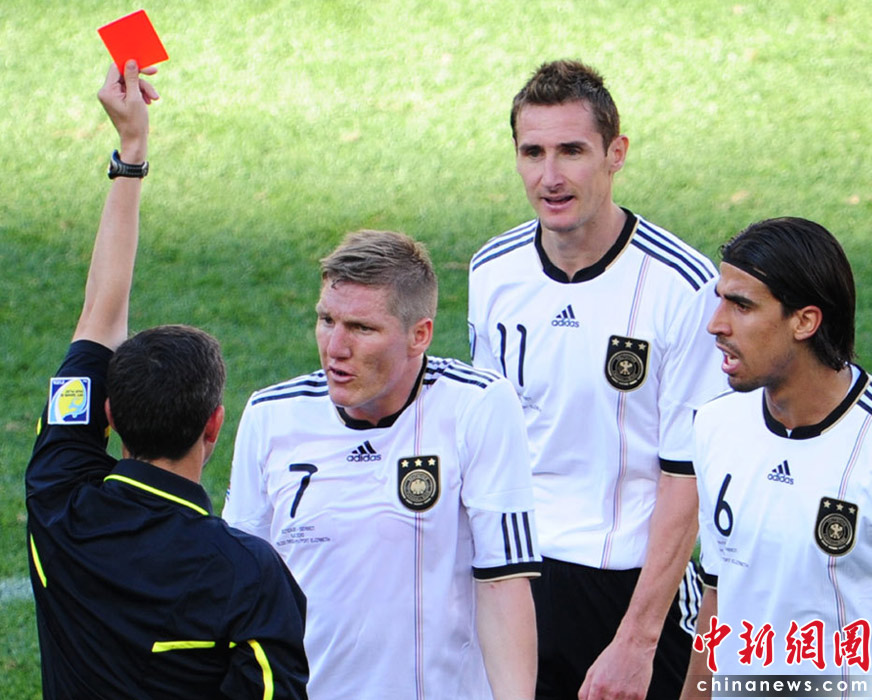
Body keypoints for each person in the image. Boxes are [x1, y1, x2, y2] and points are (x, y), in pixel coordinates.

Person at [25, 62, 309, 699]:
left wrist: (131, 151)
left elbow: (99, 316)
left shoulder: (58, 504)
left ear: (110, 417)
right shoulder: (248, 574)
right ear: (215, 424)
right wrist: (134, 146)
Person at [468, 59, 727, 700]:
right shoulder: (491, 271)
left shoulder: (684, 287)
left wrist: (636, 640)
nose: (550, 177)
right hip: (514, 576)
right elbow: (486, 442)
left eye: (572, 151)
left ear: (616, 154)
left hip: (628, 588)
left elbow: (687, 476)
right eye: (533, 152)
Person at [223, 229, 541, 699]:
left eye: (361, 328)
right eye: (326, 320)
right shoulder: (271, 415)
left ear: (419, 335)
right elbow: (240, 584)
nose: (335, 347)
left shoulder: (477, 405)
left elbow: (503, 580)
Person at [680, 218, 872, 698]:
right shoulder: (715, 425)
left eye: (742, 305)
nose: (716, 324)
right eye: (720, 300)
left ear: (805, 321)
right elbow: (718, 594)